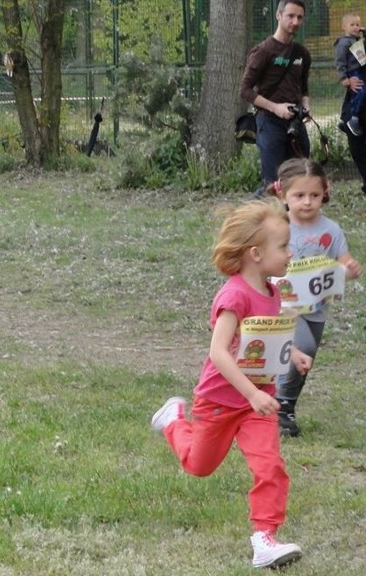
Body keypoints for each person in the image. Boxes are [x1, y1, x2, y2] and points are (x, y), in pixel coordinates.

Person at [151, 199, 310, 570]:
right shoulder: (234, 295)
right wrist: (251, 392)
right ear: (256, 253)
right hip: (220, 401)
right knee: (198, 465)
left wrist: (294, 355)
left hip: (258, 405)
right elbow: (219, 352)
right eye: (284, 247)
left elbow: (267, 342)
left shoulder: (275, 292)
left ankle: (264, 539)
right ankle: (174, 420)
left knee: (270, 465)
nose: (290, 253)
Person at [267, 159, 363, 437]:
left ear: (325, 194)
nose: (307, 202)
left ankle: (286, 406)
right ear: (282, 195)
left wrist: (350, 270)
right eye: (299, 195)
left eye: (314, 195)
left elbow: (343, 264)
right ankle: (280, 409)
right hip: (284, 306)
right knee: (302, 347)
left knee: (305, 360)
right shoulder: (276, 227)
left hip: (317, 307)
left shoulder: (331, 230)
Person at [239, 0, 311, 197]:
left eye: (299, 17)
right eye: (290, 16)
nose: (295, 21)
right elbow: (245, 91)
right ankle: (250, 219)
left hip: (295, 124)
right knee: (273, 185)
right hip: (269, 123)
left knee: (301, 178)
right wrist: (275, 108)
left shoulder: (302, 53)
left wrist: (305, 106)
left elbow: (303, 87)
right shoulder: (263, 51)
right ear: (279, 16)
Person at [333, 13, 364, 136]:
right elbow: (340, 61)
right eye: (352, 25)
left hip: (361, 70)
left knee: (355, 95)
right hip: (353, 72)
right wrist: (344, 78)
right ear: (343, 26)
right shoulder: (343, 43)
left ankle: (343, 122)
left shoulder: (358, 40)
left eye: (358, 25)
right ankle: (353, 118)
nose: (356, 27)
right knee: (361, 91)